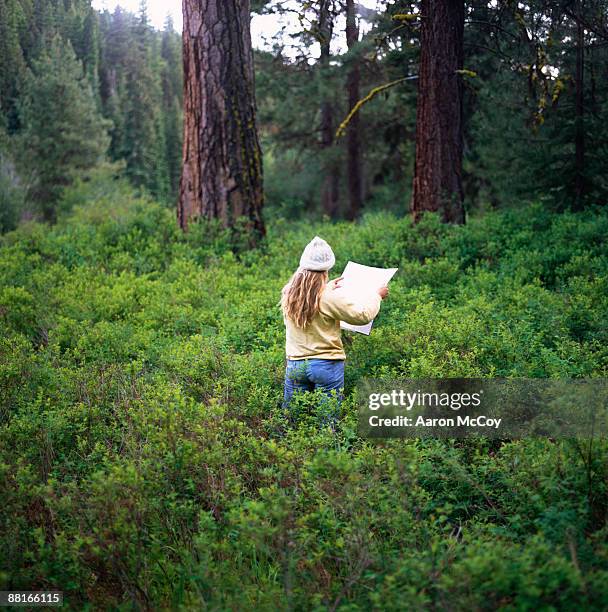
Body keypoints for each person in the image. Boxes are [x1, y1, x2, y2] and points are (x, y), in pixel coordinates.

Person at [280, 236, 389, 421]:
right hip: (326, 365)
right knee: (327, 421)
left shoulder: (289, 292)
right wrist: (376, 296)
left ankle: (288, 449)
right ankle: (327, 447)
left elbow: (311, 298)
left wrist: (329, 287)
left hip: (295, 364)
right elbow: (361, 315)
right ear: (326, 269)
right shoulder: (328, 298)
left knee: (292, 421)